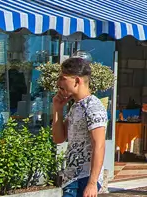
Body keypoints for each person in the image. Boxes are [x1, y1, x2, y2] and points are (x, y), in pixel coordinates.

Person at [52, 56, 107, 197]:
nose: (59, 83)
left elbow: (99, 145)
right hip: (71, 178)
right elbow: (59, 138)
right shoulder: (76, 107)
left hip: (83, 178)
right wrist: (57, 109)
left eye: (63, 78)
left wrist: (92, 183)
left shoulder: (93, 107)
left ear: (77, 81)